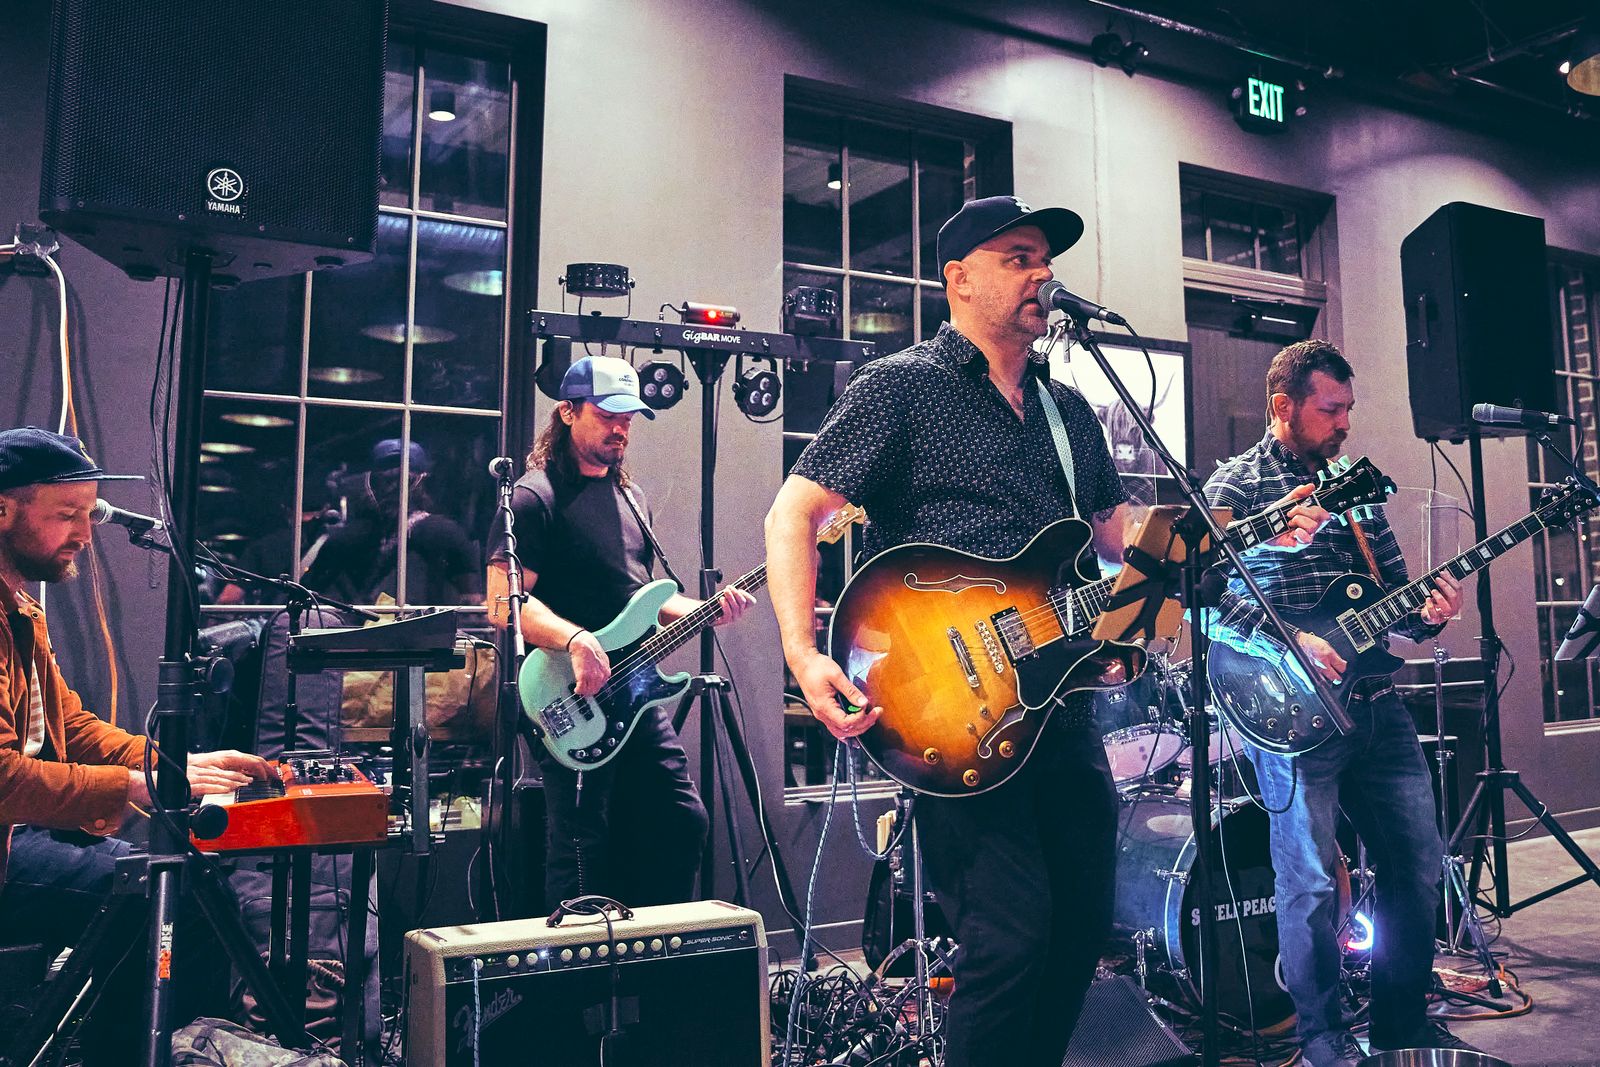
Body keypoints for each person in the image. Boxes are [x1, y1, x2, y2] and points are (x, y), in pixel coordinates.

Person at [765, 196, 1330, 1066]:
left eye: (1046, 259)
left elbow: (1113, 536)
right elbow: (793, 512)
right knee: (1009, 937)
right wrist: (804, 654)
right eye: (1019, 257)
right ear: (959, 279)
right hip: (948, 706)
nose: (1043, 273)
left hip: (1058, 710)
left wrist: (1247, 530)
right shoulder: (901, 387)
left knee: (1077, 930)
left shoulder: (1068, 410)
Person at [1202, 341, 1475, 1066]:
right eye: (1331, 409)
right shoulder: (1237, 485)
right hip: (1289, 713)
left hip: (1376, 702)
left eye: (1349, 408)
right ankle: (1322, 1039)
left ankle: (1401, 1026)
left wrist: (1428, 612)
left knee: (1418, 862)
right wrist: (1288, 639)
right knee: (1310, 882)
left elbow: (1392, 593)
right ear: (1284, 406)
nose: (1345, 422)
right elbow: (1202, 600)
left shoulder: (1353, 483)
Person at [0, 427, 271, 1059]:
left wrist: (173, 763)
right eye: (65, 514)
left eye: (89, 513)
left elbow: (71, 727)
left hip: (15, 836)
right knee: (170, 898)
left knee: (185, 884)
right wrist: (140, 784)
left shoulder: (20, 607)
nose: (85, 533)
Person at [486, 356, 755, 908]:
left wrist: (707, 610)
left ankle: (652, 952)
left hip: (631, 691)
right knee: (581, 847)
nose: (620, 430)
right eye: (608, 416)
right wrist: (575, 640)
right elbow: (501, 603)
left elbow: (642, 598)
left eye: (628, 419)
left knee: (680, 821)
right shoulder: (534, 499)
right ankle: (575, 961)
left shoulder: (632, 499)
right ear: (567, 412)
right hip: (565, 695)